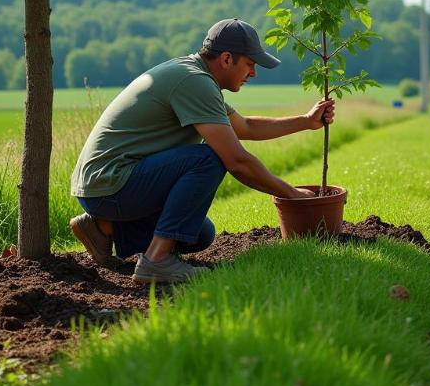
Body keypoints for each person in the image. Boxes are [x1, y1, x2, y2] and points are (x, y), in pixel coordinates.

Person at [69, 18, 334, 284]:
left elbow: (245, 126)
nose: (253, 73)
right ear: (227, 59)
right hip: (111, 184)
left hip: (105, 186)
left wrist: (306, 121)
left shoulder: (194, 76)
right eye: (250, 64)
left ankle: (103, 227)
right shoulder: (194, 82)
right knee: (211, 158)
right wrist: (292, 195)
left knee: (199, 234)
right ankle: (157, 260)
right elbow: (237, 161)